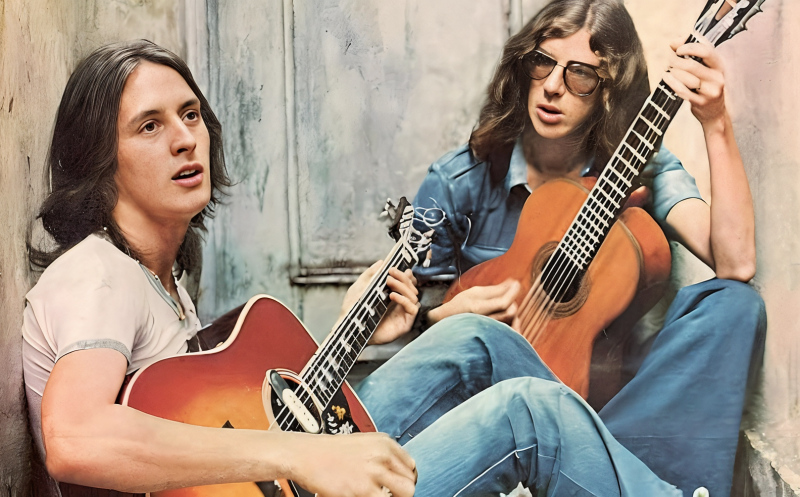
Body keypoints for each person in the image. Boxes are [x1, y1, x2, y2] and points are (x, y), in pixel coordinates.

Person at [355, 0, 765, 495]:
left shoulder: (640, 162)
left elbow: (736, 262)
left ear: (609, 91)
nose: (553, 87)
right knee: (474, 338)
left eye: (581, 76)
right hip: (492, 419)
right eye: (542, 63)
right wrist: (435, 317)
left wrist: (716, 121)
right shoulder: (460, 179)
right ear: (522, 66)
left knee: (734, 304)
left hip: (606, 414)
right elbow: (410, 336)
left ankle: (620, 473)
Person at [22, 40, 420, 497]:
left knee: (466, 346)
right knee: (513, 405)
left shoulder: (158, 279)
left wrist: (354, 326)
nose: (186, 139)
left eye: (190, 115)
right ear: (99, 161)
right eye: (149, 126)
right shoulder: (99, 274)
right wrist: (296, 453)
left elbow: (228, 423)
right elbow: (76, 439)